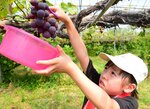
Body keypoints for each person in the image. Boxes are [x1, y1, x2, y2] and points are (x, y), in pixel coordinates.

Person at [33, 6, 148, 109]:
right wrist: (68, 22)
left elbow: (107, 105)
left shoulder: (130, 104)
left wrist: (70, 68)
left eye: (113, 73)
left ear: (129, 87)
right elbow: (83, 55)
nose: (104, 75)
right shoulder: (97, 82)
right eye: (106, 68)